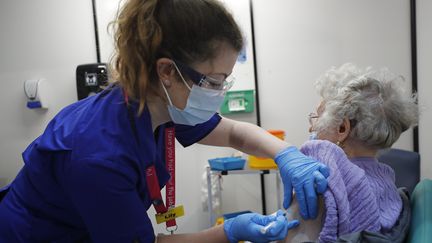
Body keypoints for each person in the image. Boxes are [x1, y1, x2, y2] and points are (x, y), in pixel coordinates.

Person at [0, 0, 330, 242]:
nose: (220, 93)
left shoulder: (157, 102)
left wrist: (287, 154)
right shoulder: (99, 156)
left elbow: (232, 133)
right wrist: (229, 231)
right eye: (214, 81)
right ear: (167, 71)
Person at [279, 63, 418, 243]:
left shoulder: (324, 185)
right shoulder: (386, 180)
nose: (311, 127)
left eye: (316, 118)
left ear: (342, 128)